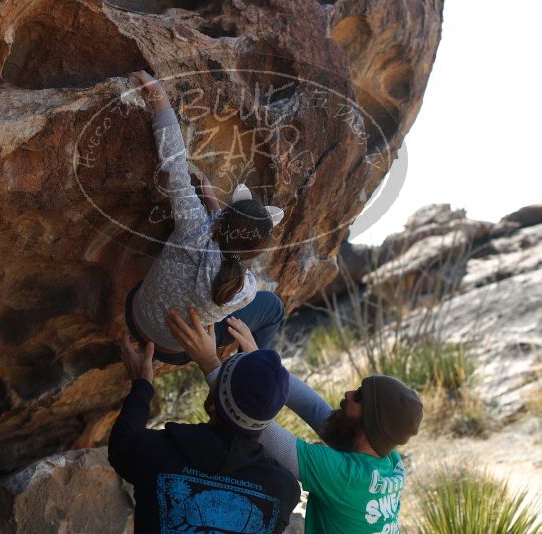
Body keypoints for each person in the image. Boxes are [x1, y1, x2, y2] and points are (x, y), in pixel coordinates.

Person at [167, 308, 424, 534]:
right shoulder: (390, 462)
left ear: (369, 426)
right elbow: (315, 410)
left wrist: (209, 363)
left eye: (358, 397)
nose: (347, 394)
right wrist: (262, 362)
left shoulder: (345, 477)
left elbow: (258, 427)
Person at [124, 70, 286, 365]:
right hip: (172, 351)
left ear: (222, 223)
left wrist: (159, 97)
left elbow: (174, 165)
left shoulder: (193, 227)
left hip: (137, 317)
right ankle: (244, 370)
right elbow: (226, 255)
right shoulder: (245, 290)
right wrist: (214, 209)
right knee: (272, 307)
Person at [107, 334, 301, 533]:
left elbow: (120, 444)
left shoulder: (153, 451)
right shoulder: (284, 490)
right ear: (266, 422)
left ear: (212, 404)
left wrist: (142, 385)